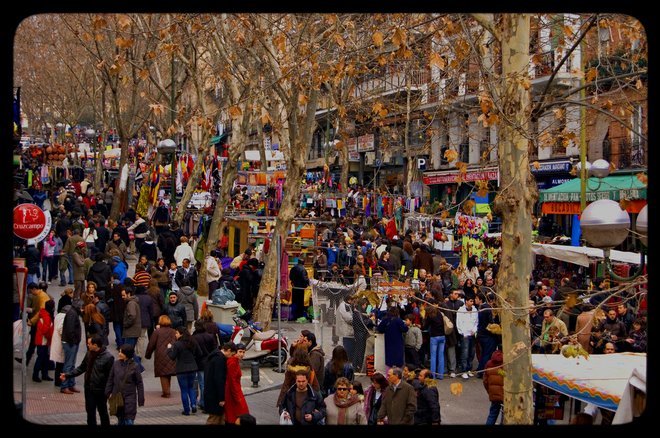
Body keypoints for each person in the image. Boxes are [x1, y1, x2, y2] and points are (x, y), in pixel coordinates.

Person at [60, 334, 115, 426]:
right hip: (89, 388)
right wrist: (67, 375)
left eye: (89, 344)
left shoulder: (108, 357)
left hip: (100, 390)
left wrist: (110, 391)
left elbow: (111, 376)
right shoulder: (89, 353)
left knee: (103, 412)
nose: (87, 345)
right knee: (90, 412)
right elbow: (82, 368)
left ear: (95, 345)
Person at [167, 326, 203, 415]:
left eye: (176, 333)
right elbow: (200, 353)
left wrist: (168, 349)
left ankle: (186, 410)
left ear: (181, 334)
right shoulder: (193, 342)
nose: (175, 335)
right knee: (191, 388)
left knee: (184, 390)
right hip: (192, 368)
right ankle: (193, 405)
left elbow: (172, 357)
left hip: (181, 369)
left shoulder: (177, 344)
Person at [105, 344, 145, 425]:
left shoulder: (135, 366)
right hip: (117, 397)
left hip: (129, 397)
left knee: (129, 420)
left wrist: (141, 399)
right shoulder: (115, 364)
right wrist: (107, 393)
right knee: (120, 419)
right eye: (119, 351)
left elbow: (139, 383)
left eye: (121, 352)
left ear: (127, 354)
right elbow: (110, 379)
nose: (119, 353)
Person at [144, 315, 177, 398]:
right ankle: (167, 389)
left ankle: (166, 392)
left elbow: (151, 344)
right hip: (171, 354)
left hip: (161, 355)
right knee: (168, 372)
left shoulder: (157, 332)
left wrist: (148, 355)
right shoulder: (173, 331)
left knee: (163, 374)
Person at [204, 342, 236, 425]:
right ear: (228, 350)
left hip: (211, 393)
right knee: (214, 419)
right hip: (215, 396)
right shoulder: (220, 360)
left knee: (220, 418)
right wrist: (221, 398)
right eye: (232, 354)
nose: (231, 357)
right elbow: (219, 380)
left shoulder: (215, 356)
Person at [225, 343, 249, 424]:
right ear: (235, 352)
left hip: (234, 391)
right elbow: (232, 381)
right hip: (233, 392)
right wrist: (237, 397)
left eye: (244, 352)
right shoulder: (233, 362)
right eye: (240, 352)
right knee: (241, 414)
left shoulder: (234, 361)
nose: (242, 354)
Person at [32, 299, 55, 382]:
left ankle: (43, 374)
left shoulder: (44, 314)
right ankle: (37, 375)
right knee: (42, 358)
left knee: (44, 358)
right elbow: (46, 331)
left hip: (41, 340)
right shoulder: (47, 317)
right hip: (43, 341)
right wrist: (50, 337)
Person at [456, 296, 479, 378]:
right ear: (466, 301)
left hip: (472, 334)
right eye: (470, 301)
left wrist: (474, 330)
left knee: (472, 352)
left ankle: (469, 368)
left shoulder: (475, 310)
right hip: (465, 335)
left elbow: (476, 322)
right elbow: (459, 323)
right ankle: (463, 370)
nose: (472, 302)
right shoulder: (460, 310)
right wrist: (463, 333)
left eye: (473, 301)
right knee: (464, 353)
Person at [422, 304, 446, 379]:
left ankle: (433, 375)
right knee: (441, 356)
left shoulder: (430, 316)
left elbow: (425, 327)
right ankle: (441, 375)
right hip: (442, 336)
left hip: (434, 337)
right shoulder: (440, 314)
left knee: (433, 356)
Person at [483, 348, 504, 425]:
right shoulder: (506, 363)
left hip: (494, 394)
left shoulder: (489, 363)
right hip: (504, 394)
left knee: (492, 414)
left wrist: (490, 392)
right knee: (505, 415)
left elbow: (485, 380)